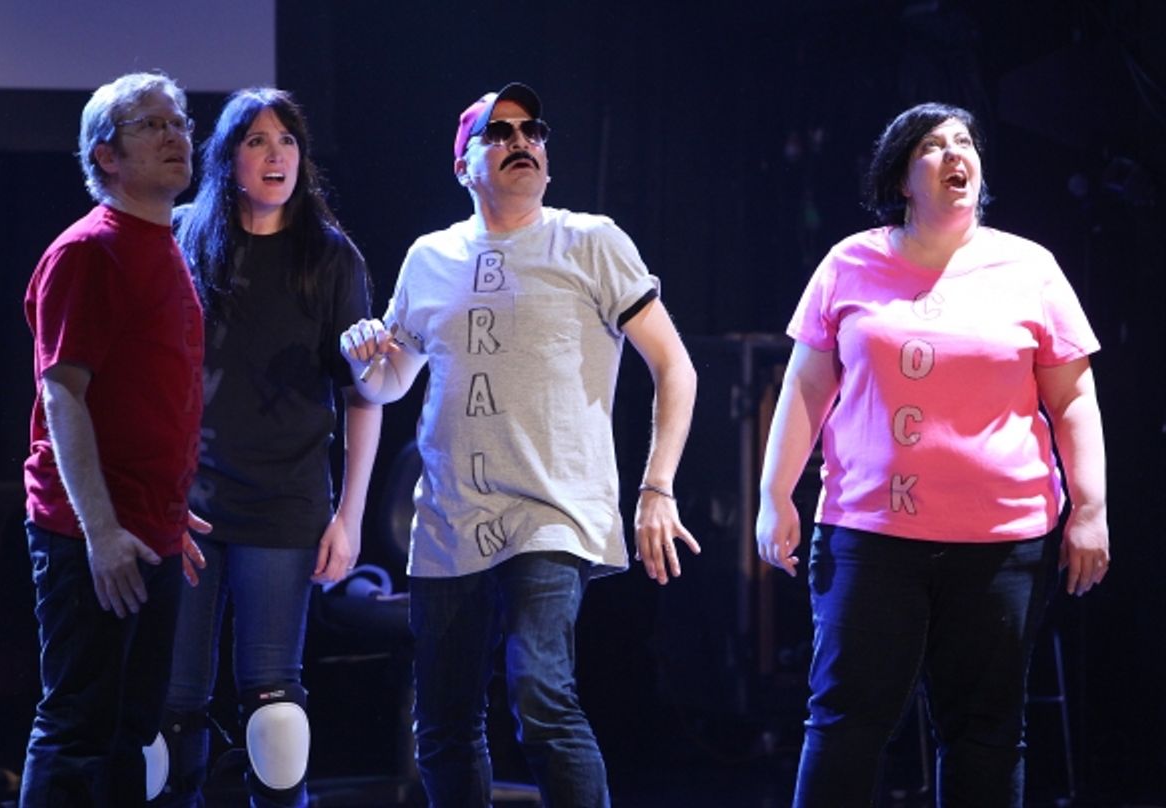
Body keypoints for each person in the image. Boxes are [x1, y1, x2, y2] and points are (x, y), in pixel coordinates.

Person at [339, 82, 700, 806]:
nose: (521, 142)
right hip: (449, 517)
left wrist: (656, 487)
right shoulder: (429, 257)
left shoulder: (589, 241)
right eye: (498, 133)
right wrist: (362, 361)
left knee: (541, 694)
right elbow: (389, 386)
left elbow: (674, 365)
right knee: (442, 723)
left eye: (532, 130)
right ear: (463, 165)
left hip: (552, 509)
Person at [755, 101, 1110, 806]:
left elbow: (1072, 398)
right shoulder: (848, 263)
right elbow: (806, 384)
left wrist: (1091, 509)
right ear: (901, 178)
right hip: (868, 535)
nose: (956, 155)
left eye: (965, 143)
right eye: (934, 146)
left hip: (1003, 543)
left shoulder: (1029, 267)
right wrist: (774, 496)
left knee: (984, 730)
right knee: (846, 722)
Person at [155, 88, 381, 808]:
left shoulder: (330, 256)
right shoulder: (185, 237)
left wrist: (349, 516)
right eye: (256, 140)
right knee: (170, 706)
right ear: (228, 158)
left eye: (287, 139)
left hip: (285, 506)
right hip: (185, 506)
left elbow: (363, 393)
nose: (276, 152)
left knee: (274, 708)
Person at [21, 71, 206, 807]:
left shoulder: (164, 245)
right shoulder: (89, 251)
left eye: (180, 122)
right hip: (92, 533)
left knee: (132, 731)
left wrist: (168, 507)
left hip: (150, 527)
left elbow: (154, 393)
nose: (175, 136)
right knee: (77, 728)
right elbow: (63, 395)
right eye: (152, 126)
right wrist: (101, 532)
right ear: (106, 155)